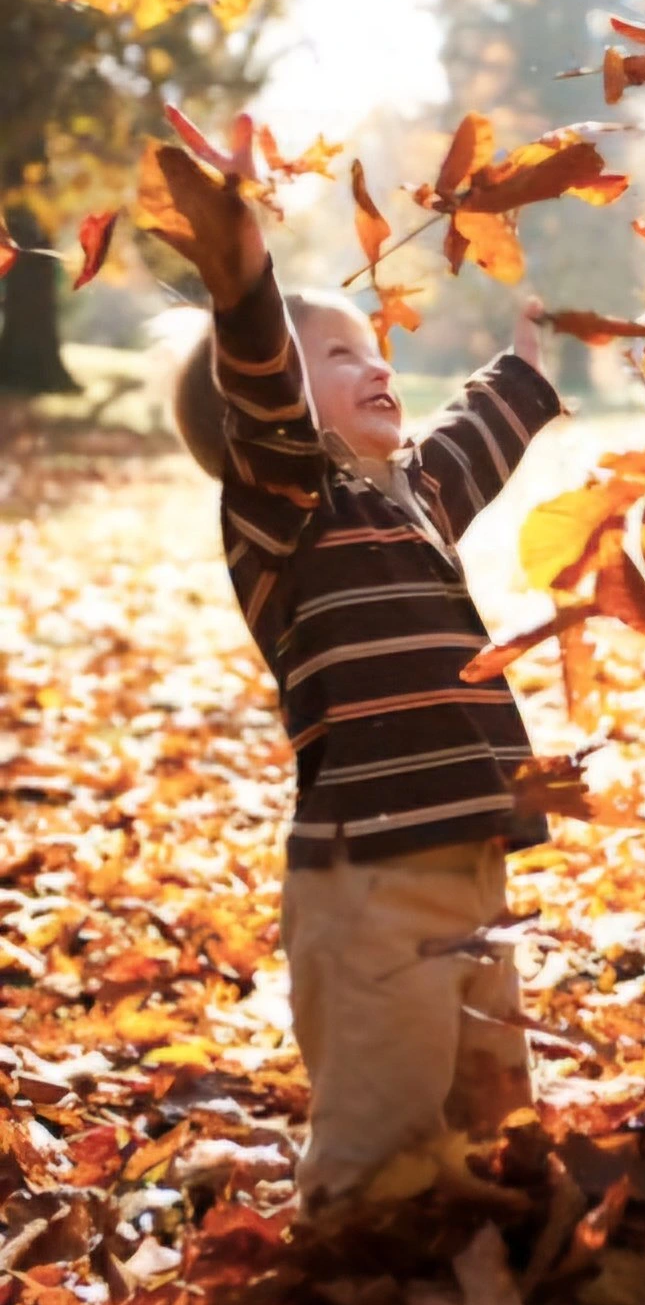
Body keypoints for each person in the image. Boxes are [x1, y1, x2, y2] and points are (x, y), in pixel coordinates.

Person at [156, 142, 562, 1213]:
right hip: (370, 881)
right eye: (339, 355)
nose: (377, 366)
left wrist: (525, 370)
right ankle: (340, 1256)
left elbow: (470, 440)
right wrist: (244, 285)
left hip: (473, 861)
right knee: (380, 1138)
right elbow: (263, 389)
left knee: (489, 1124)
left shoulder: (409, 496)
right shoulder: (283, 505)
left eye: (376, 349)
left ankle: (478, 1248)